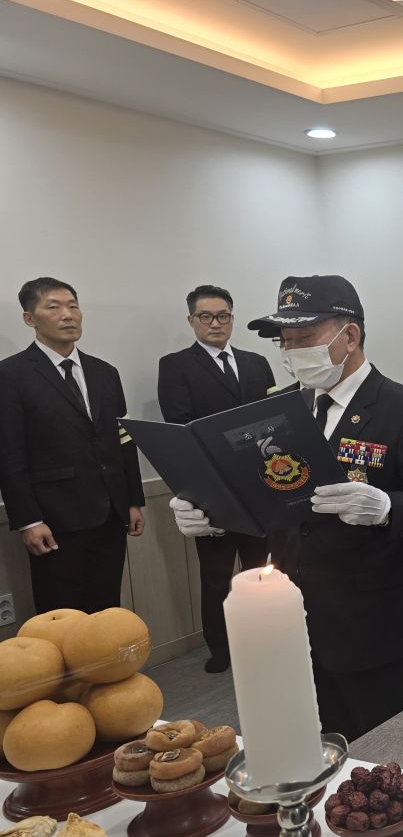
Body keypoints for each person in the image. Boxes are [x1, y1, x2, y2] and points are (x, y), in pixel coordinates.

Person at [171, 275, 403, 741]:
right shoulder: (281, 408)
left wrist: (386, 506)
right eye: (285, 341)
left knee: (378, 750)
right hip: (296, 614)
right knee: (313, 745)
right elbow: (262, 493)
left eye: (304, 338)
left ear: (350, 335)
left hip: (374, 618)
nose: (291, 350)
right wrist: (211, 515)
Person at [0, 277, 145, 613]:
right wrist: (28, 521)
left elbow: (123, 438)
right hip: (54, 518)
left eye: (73, 306)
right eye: (53, 307)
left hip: (111, 513)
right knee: (62, 614)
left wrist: (133, 500)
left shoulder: (105, 372)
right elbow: (8, 454)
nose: (68, 315)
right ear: (29, 318)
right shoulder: (11, 375)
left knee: (106, 609)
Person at [157, 284, 276, 673]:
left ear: (232, 318)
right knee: (216, 576)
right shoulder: (175, 365)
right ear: (191, 320)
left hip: (259, 484)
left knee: (260, 570)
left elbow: (273, 416)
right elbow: (180, 427)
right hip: (212, 491)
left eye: (223, 315)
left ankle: (262, 639)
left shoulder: (256, 362)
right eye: (206, 316)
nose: (215, 323)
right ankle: (221, 649)